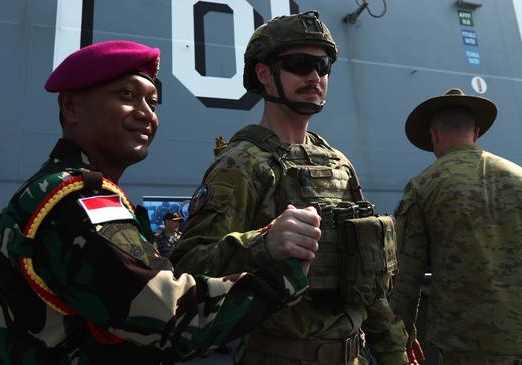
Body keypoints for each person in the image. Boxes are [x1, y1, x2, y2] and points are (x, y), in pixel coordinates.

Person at [0, 40, 321, 365]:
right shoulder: (76, 200)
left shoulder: (61, 189)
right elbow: (171, 317)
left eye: (153, 102)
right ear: (72, 106)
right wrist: (285, 275)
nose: (146, 114)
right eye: (127, 96)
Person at [171, 11, 407, 365]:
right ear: (264, 74)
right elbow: (185, 268)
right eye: (299, 64)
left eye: (323, 66)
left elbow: (367, 275)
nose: (314, 76)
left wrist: (394, 352)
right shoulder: (241, 164)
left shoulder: (338, 163)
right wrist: (262, 244)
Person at [389, 88, 522, 365]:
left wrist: (402, 335)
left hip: (468, 344)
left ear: (434, 136)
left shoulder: (423, 186)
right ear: (476, 133)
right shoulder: (518, 176)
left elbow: (405, 276)